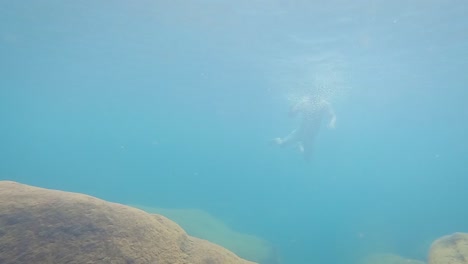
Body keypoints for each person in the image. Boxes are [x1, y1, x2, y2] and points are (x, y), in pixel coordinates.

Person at [273, 95, 336, 160]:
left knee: (307, 158)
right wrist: (291, 109)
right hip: (300, 132)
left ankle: (299, 145)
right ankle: (279, 140)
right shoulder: (303, 103)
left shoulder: (324, 104)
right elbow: (292, 115)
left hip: (310, 136)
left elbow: (332, 115)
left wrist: (332, 123)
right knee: (282, 145)